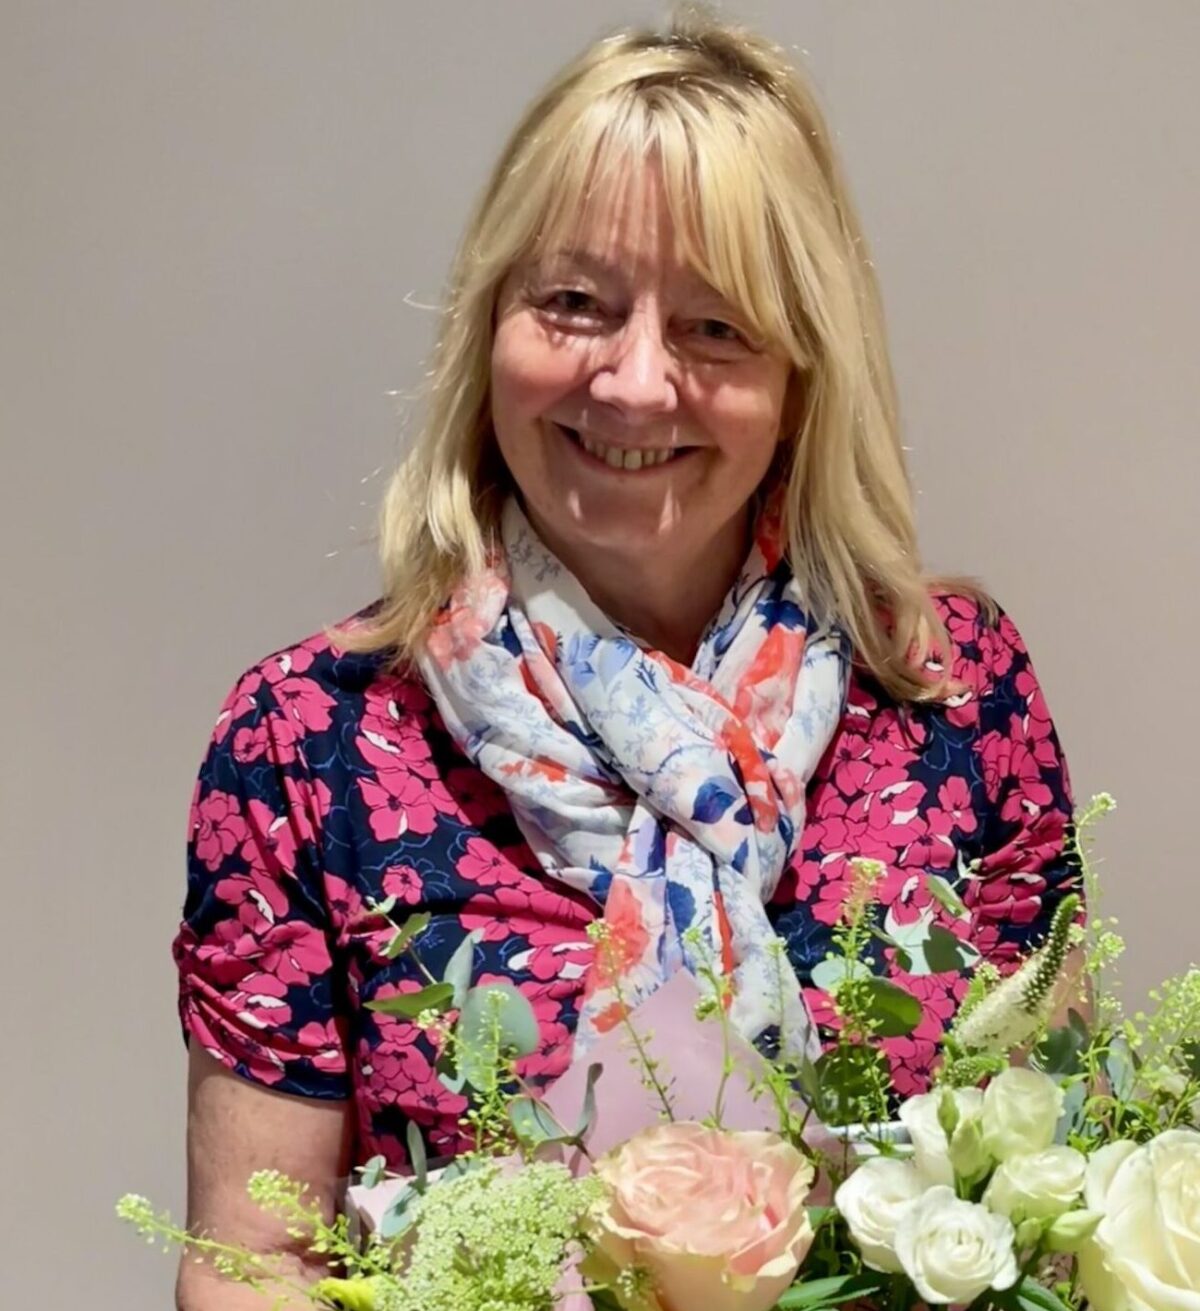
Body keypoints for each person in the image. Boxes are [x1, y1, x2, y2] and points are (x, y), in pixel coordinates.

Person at [173, 13, 1078, 1308]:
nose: (636, 382)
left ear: (804, 373)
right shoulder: (306, 745)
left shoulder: (954, 688)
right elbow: (253, 1267)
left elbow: (1051, 1203)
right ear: (490, 329)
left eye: (717, 328)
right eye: (575, 303)